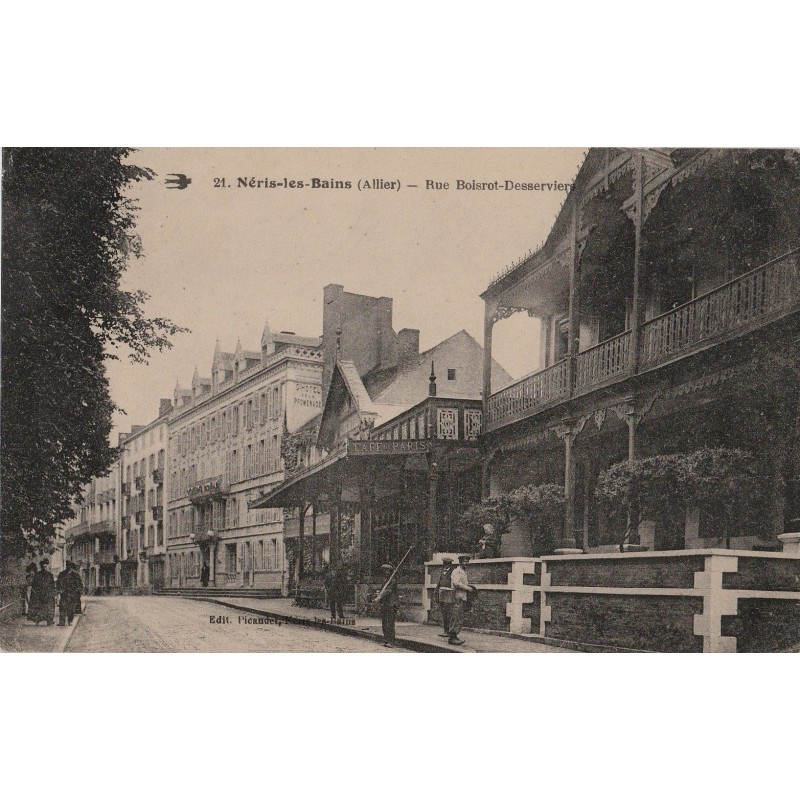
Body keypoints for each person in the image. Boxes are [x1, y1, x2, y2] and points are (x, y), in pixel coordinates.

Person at [448, 555, 476, 646]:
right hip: (457, 597)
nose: (466, 563)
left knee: (459, 617)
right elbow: (456, 583)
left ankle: (455, 636)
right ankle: (452, 637)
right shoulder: (456, 571)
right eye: (464, 561)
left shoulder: (464, 572)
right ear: (460, 562)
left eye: (467, 562)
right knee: (455, 617)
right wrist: (468, 588)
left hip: (463, 597)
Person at [376, 563, 399, 647]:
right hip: (385, 603)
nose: (385, 572)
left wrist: (379, 597)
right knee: (384, 623)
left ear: (390, 571)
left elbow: (388, 591)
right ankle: (386, 640)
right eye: (384, 570)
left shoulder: (393, 580)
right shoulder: (384, 580)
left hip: (391, 604)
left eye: (387, 570)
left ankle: (391, 641)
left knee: (390, 623)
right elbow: (382, 590)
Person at [29, 558, 56, 625]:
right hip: (39, 594)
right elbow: (34, 585)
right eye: (43, 567)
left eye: (45, 567)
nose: (44, 568)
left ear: (47, 567)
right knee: (39, 607)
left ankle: (49, 621)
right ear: (41, 567)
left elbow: (52, 585)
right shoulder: (37, 575)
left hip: (48, 594)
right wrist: (36, 593)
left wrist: (53, 594)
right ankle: (37, 621)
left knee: (49, 608)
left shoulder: (50, 575)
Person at [435, 557, 455, 637]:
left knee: (448, 612)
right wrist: (436, 590)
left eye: (446, 564)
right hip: (442, 592)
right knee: (443, 612)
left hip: (449, 592)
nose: (445, 565)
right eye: (444, 564)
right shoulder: (442, 571)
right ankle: (445, 630)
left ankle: (449, 631)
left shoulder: (453, 571)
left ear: (449, 564)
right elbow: (440, 582)